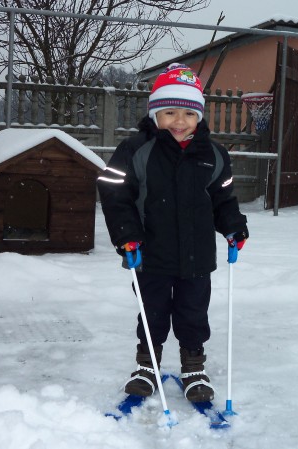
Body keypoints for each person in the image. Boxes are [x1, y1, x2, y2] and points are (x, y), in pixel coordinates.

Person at [97, 63, 249, 403]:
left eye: (188, 113)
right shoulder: (136, 150)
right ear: (154, 114)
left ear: (199, 117)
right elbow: (114, 193)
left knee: (193, 311)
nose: (179, 121)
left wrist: (233, 226)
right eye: (169, 112)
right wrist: (126, 235)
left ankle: (193, 365)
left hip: (196, 256)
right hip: (148, 252)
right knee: (152, 310)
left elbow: (223, 198)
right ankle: (147, 366)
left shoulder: (214, 154)